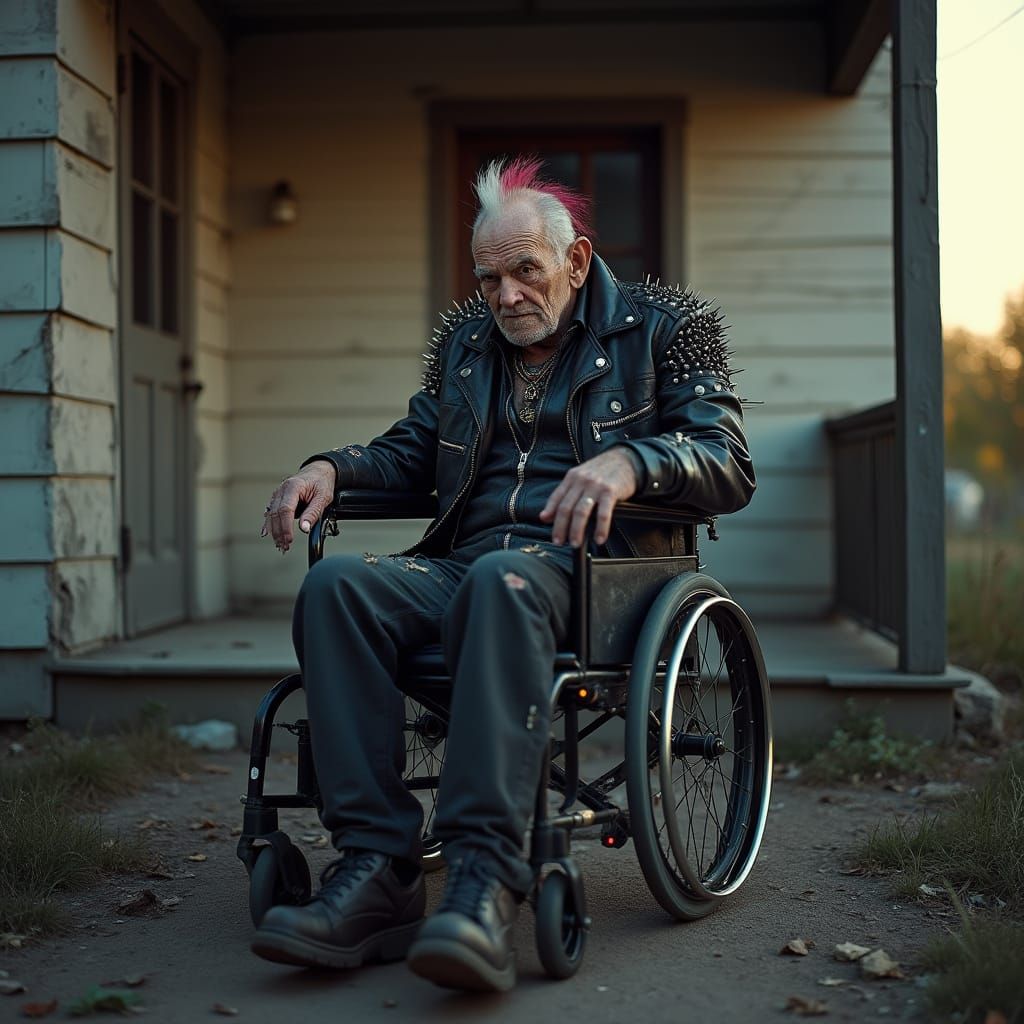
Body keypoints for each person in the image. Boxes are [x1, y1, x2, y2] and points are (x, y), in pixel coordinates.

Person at [253, 157, 755, 992]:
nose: (507, 293)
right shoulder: (466, 346)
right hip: (470, 567)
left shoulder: (660, 331)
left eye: (526, 270)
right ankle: (380, 868)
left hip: (593, 577)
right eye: (489, 277)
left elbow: (726, 460)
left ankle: (486, 879)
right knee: (337, 588)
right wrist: (331, 470)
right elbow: (416, 449)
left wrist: (634, 461)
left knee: (503, 582)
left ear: (577, 260)